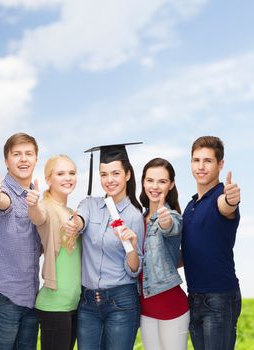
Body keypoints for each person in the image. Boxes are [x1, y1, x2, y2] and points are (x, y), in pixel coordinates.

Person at [65, 143, 145, 350]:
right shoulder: (90, 204)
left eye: (115, 173)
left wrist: (133, 247)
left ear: (127, 174)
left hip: (121, 301)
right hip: (88, 303)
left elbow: (134, 269)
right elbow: (80, 220)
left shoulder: (134, 216)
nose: (109, 180)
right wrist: (75, 224)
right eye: (104, 174)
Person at [0, 132, 41, 350]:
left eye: (28, 154)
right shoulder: (1, 191)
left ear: (36, 159)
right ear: (7, 161)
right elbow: (2, 204)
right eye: (16, 154)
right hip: (3, 294)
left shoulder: (35, 196)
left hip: (31, 297)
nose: (23, 159)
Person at [181, 136, 241, 350]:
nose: (201, 166)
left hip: (219, 298)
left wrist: (231, 199)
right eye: (196, 160)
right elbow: (187, 253)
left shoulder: (221, 196)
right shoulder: (189, 206)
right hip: (194, 297)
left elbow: (226, 206)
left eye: (208, 161)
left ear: (220, 164)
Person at [25, 155, 81, 350]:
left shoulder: (72, 211)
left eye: (72, 173)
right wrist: (32, 204)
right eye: (60, 173)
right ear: (49, 179)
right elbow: (38, 217)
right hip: (54, 306)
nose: (68, 178)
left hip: (73, 304)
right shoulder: (45, 206)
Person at [139, 158, 190, 350]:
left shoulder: (172, 216)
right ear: (143, 182)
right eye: (150, 180)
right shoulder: (138, 219)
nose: (155, 186)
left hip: (172, 308)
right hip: (146, 309)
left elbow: (171, 227)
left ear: (171, 184)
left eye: (162, 181)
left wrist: (165, 220)